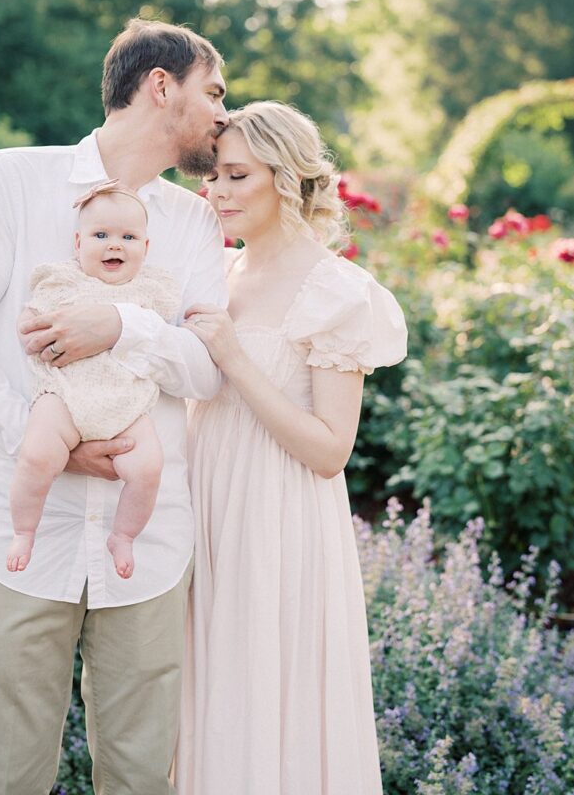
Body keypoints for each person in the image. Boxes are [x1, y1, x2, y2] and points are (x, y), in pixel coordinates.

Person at [0, 18, 228, 795]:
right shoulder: (10, 180)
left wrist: (122, 324)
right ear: (162, 86)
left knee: (141, 779)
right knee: (12, 779)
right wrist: (38, 442)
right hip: (17, 535)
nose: (224, 114)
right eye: (214, 92)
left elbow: (208, 369)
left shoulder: (194, 223)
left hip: (146, 545)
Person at [175, 101, 408, 795]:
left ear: (288, 179)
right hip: (202, 512)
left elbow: (332, 449)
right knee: (205, 694)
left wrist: (235, 359)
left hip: (279, 524)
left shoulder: (334, 292)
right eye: (212, 176)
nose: (216, 192)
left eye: (236, 175)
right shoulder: (211, 272)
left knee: (271, 693)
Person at [8, 180, 181, 579]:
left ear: (146, 247)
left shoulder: (151, 288)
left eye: (128, 237)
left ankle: (123, 534)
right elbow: (33, 319)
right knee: (37, 455)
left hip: (127, 403)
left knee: (148, 467)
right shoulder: (64, 280)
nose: (114, 245)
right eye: (100, 235)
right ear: (78, 242)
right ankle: (23, 530)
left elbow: (165, 330)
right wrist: (28, 325)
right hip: (66, 394)